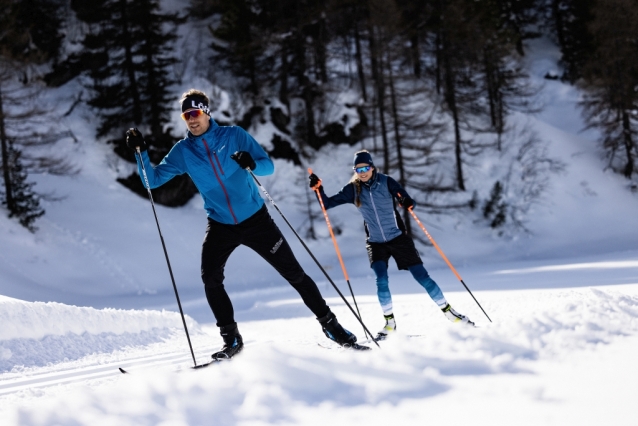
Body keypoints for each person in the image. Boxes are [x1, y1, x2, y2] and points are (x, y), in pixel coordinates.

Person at [126, 89, 360, 359]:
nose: (191, 119)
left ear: (206, 112)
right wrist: (141, 153)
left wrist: (251, 164)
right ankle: (231, 339)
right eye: (186, 115)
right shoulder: (183, 152)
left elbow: (267, 166)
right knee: (210, 278)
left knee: (295, 274)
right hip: (220, 224)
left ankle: (332, 327)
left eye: (195, 113)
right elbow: (150, 181)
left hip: (256, 220)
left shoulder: (234, 136)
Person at [309, 150, 474, 341]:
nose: (362, 172)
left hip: (397, 238)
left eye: (365, 168)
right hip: (375, 242)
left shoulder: (386, 181)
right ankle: (389, 324)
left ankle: (450, 313)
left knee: (422, 277)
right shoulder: (353, 189)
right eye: (358, 169)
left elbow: (403, 196)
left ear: (372, 167)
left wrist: (406, 201)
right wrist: (318, 189)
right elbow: (326, 204)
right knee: (381, 280)